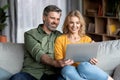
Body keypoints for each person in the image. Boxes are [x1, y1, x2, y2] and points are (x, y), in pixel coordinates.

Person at [9, 5, 66, 80]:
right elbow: (39, 54)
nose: (55, 22)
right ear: (44, 17)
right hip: (32, 74)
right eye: (52, 18)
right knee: (17, 78)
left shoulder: (61, 37)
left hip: (52, 75)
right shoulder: (30, 34)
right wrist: (55, 63)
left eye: (58, 19)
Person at [54, 10, 114, 80]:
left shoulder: (87, 39)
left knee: (83, 66)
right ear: (67, 24)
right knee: (67, 70)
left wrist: (92, 60)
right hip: (69, 69)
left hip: (84, 69)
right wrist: (64, 61)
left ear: (81, 24)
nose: (74, 26)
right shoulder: (60, 39)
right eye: (71, 23)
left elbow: (91, 60)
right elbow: (58, 60)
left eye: (77, 23)